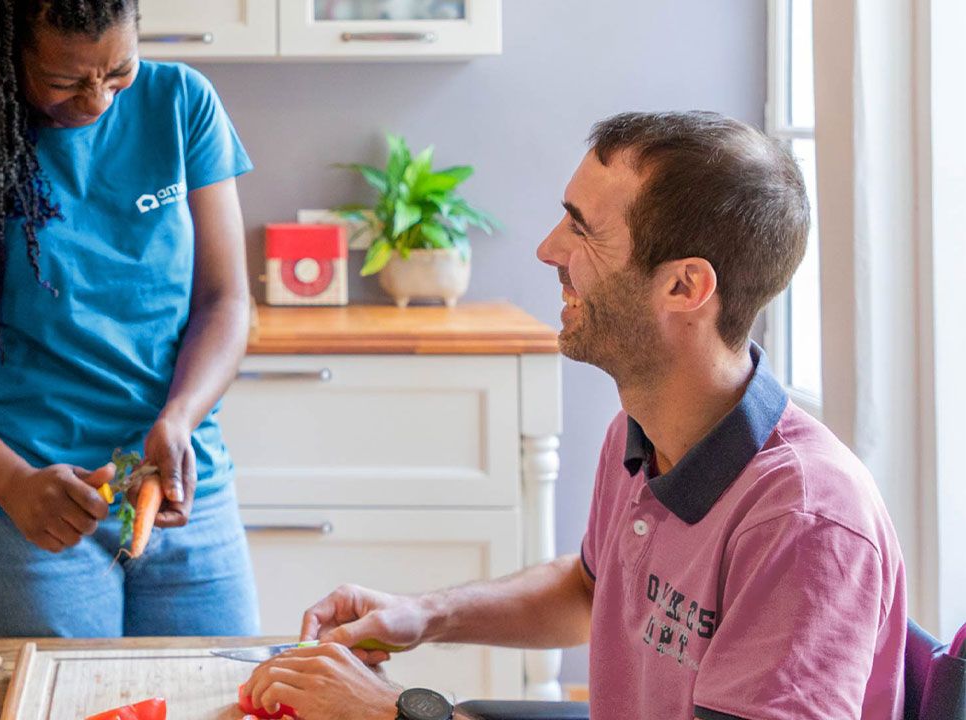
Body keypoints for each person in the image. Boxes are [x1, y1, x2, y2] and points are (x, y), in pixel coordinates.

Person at [244, 111, 907, 720]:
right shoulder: (645, 429)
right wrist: (424, 614)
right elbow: (592, 591)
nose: (548, 249)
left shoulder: (807, 522)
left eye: (581, 228)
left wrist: (397, 713)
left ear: (685, 286)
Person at [0, 0, 259, 639]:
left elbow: (225, 301)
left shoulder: (183, 103)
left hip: (184, 494)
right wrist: (13, 484)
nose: (98, 100)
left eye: (117, 71)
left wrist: (180, 416)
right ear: (6, 51)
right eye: (65, 82)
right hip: (22, 518)